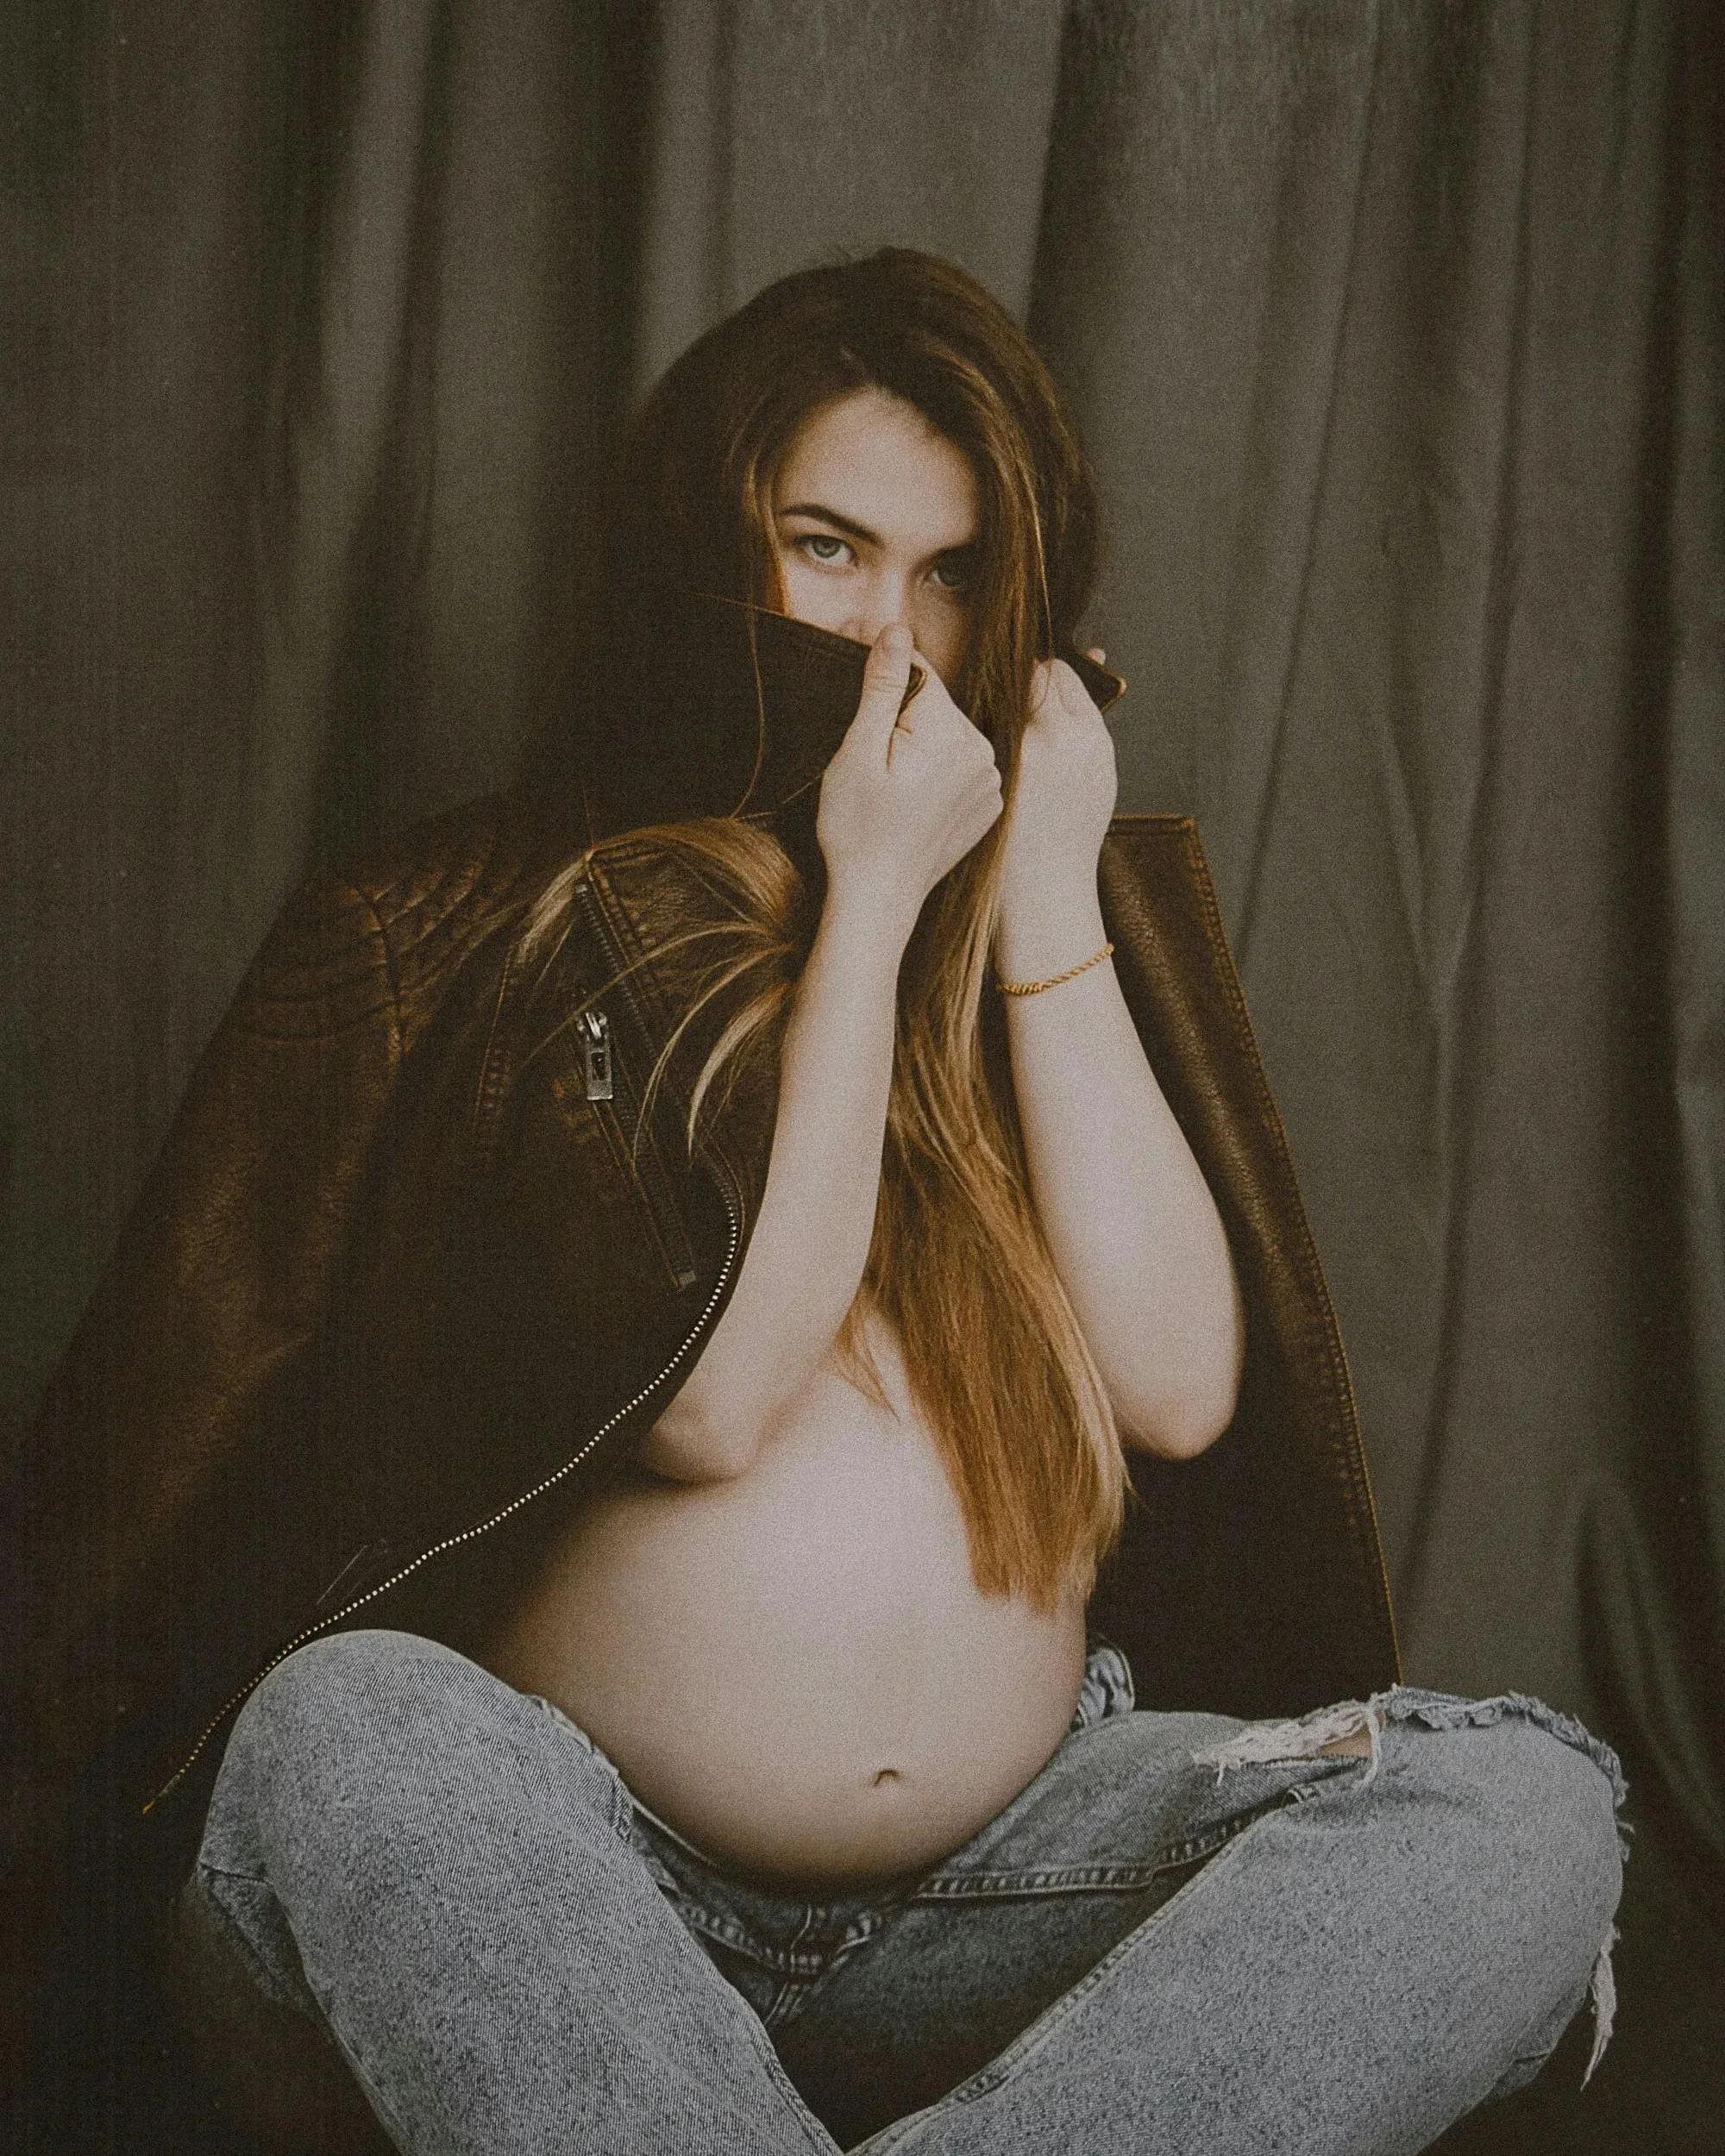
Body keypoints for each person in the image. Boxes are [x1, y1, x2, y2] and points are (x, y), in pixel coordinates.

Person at [3, 249, 1623, 2155]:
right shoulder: (480, 924)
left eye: (953, 572)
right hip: (544, 1887)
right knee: (344, 1721)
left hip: (985, 1905)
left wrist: (1041, 898)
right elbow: (713, 1398)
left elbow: (1181, 1389)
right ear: (710, 550)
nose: (894, 636)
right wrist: (864, 908)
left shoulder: (1011, 944)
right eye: (829, 547)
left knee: (1523, 1805)